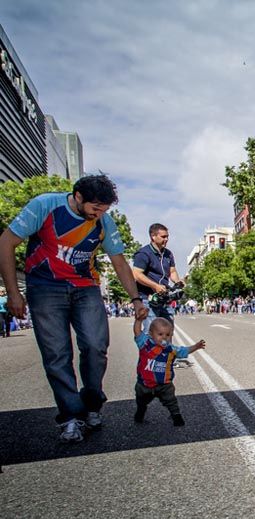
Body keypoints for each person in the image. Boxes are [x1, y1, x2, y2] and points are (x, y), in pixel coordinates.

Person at [0, 174, 147, 443]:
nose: (98, 214)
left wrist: (136, 299)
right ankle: (70, 416)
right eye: (95, 208)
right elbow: (6, 242)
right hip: (45, 287)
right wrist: (13, 293)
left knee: (95, 346)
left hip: (85, 287)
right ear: (78, 197)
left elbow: (119, 262)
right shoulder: (45, 206)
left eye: (104, 209)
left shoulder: (103, 220)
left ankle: (92, 404)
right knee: (57, 354)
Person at [133, 313, 205, 426]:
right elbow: (137, 333)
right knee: (141, 401)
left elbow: (184, 351)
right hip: (144, 384)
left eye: (167, 334)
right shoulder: (145, 344)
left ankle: (176, 416)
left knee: (171, 401)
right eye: (160, 334)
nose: (164, 337)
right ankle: (140, 413)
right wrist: (139, 321)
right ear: (151, 334)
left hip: (164, 384)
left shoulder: (171, 349)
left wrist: (196, 346)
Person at [132, 223, 182, 334]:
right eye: (163, 236)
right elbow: (137, 274)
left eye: (167, 236)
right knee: (151, 332)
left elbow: (172, 271)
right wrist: (154, 285)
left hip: (165, 299)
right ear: (153, 236)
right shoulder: (144, 253)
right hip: (148, 299)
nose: (166, 239)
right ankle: (151, 351)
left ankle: (167, 351)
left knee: (167, 332)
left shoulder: (168, 254)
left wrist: (178, 282)